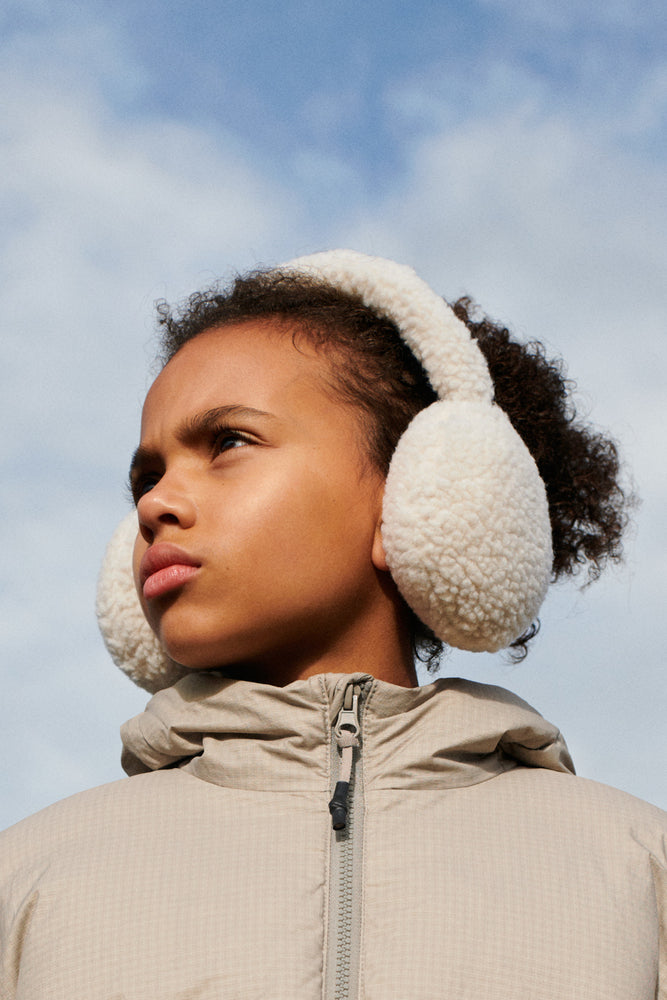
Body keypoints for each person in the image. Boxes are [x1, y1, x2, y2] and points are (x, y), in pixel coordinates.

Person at [1, 250, 665, 999]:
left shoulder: (640, 872)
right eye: (146, 475)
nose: (154, 504)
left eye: (227, 441)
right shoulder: (26, 878)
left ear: (423, 497)